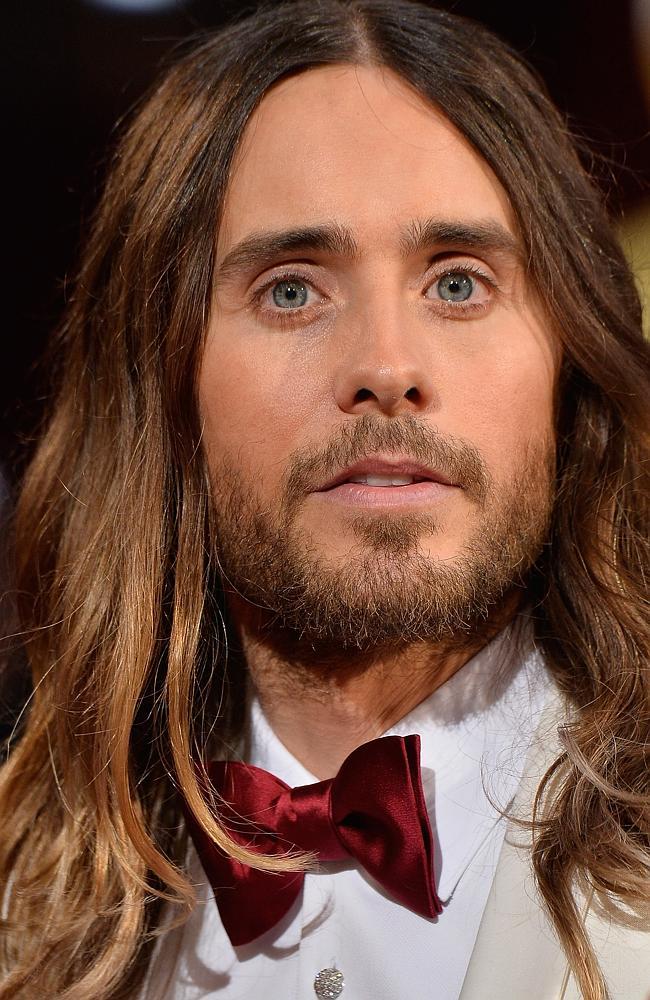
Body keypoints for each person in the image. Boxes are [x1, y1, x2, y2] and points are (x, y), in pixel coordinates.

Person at [1, 1, 649, 997]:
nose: (386, 367)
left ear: (569, 367)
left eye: (458, 283)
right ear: (166, 388)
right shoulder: (23, 918)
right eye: (293, 290)